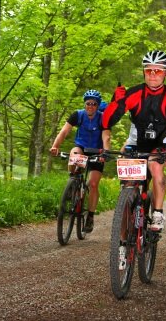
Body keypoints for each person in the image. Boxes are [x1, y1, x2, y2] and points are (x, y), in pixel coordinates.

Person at [102, 50, 166, 231]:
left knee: (156, 167)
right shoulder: (133, 93)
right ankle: (123, 233)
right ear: (144, 71)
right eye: (149, 70)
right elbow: (107, 122)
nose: (153, 74)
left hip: (159, 143)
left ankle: (158, 213)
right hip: (135, 142)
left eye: (158, 71)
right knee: (128, 182)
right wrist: (115, 102)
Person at [50, 89, 105, 233]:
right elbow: (64, 131)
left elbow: (107, 137)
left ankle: (90, 216)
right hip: (81, 147)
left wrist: (105, 152)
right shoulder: (78, 115)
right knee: (74, 155)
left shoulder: (103, 118)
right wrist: (55, 146)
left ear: (98, 105)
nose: (90, 106)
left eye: (93, 104)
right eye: (88, 103)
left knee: (93, 184)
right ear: (85, 104)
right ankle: (73, 182)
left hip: (97, 151)